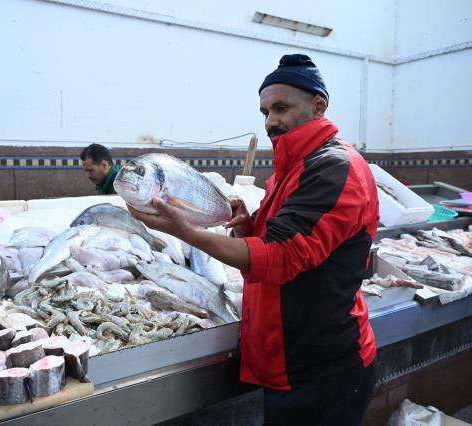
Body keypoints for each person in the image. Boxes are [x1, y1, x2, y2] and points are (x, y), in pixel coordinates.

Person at [129, 54, 379, 426]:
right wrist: (249, 228)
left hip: (323, 365)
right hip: (288, 356)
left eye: (281, 108)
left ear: (318, 105)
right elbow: (282, 237)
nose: (270, 121)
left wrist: (186, 231)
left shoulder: (332, 167)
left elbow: (282, 256)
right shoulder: (294, 164)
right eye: (264, 111)